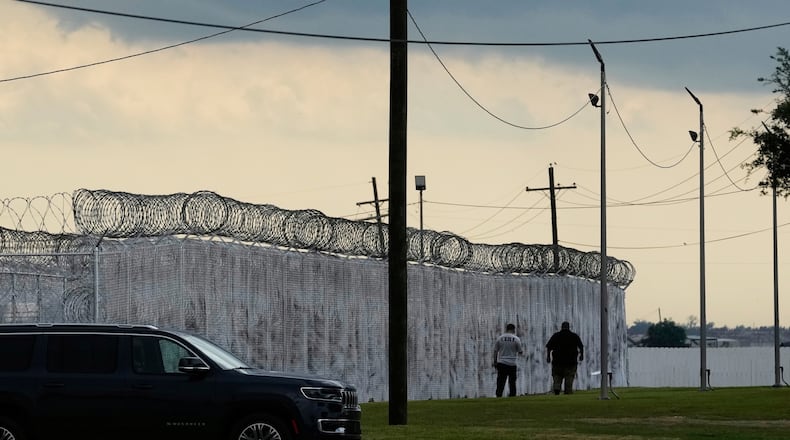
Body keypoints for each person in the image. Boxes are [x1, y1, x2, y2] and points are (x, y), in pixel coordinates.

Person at [546, 321, 584, 395]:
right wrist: (581, 355)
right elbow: (581, 346)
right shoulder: (574, 336)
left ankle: (557, 388)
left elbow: (549, 347)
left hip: (557, 361)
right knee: (569, 377)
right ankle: (568, 390)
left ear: (561, 327)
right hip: (571, 362)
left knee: (557, 376)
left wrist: (548, 356)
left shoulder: (556, 335)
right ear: (568, 327)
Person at [493, 323, 523, 397]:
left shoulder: (500, 338)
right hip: (512, 363)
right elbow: (520, 351)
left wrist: (495, 362)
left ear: (506, 329)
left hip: (502, 363)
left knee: (500, 381)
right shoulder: (516, 339)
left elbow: (495, 351)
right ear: (513, 329)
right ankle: (512, 395)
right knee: (512, 382)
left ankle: (499, 395)